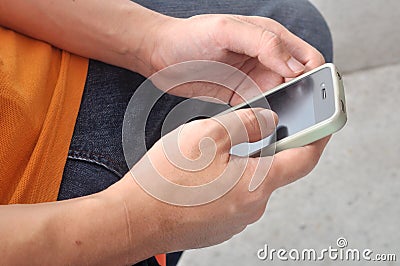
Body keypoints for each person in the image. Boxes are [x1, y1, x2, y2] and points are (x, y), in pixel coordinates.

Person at [0, 0, 333, 265]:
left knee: (291, 33)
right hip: (39, 202)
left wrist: (150, 40)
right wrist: (138, 223)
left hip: (31, 53)